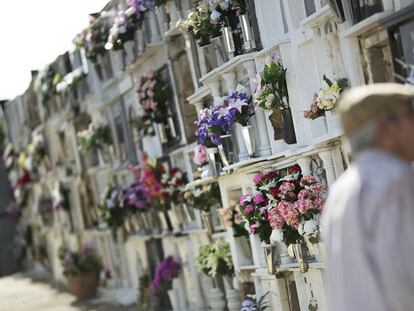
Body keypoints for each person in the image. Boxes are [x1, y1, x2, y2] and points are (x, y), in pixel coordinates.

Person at [322, 83, 414, 311]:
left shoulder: (340, 189)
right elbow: (403, 274)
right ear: (386, 127)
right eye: (410, 114)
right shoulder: (395, 180)